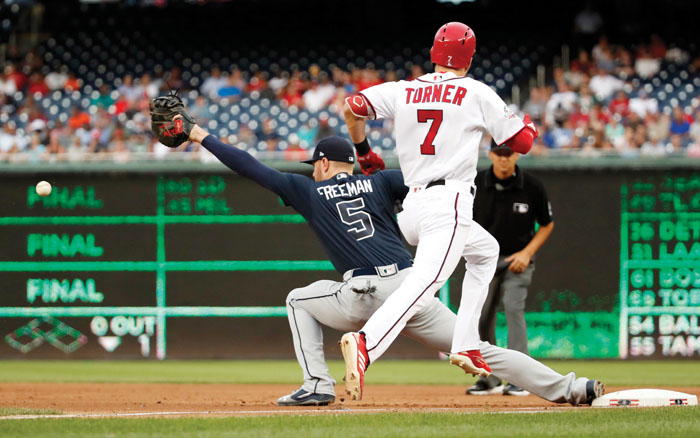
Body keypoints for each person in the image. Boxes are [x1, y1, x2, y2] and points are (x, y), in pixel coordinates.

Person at [179, 117, 603, 407]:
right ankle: (571, 388)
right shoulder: (381, 181)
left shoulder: (307, 189)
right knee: (478, 348)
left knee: (297, 299)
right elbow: (430, 181)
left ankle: (317, 385)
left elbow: (249, 166)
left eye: (315, 165)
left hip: (361, 293)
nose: (314, 170)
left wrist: (199, 134)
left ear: (323, 163)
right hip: (411, 290)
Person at [340, 22, 538, 400]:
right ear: (469, 59)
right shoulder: (475, 91)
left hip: (413, 205)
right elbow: (523, 143)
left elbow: (352, 107)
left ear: (434, 53)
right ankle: (367, 343)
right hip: (448, 204)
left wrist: (363, 153)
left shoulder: (403, 90)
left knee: (486, 251)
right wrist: (528, 124)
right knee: (423, 285)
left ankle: (465, 343)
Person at [467, 143, 555, 397]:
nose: (504, 159)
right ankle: (489, 377)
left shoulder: (532, 185)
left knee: (513, 308)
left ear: (516, 155)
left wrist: (527, 253)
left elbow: (547, 224)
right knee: (481, 316)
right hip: (484, 260)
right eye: (499, 153)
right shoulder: (475, 183)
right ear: (491, 154)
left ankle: (521, 379)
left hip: (517, 259)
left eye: (508, 154)